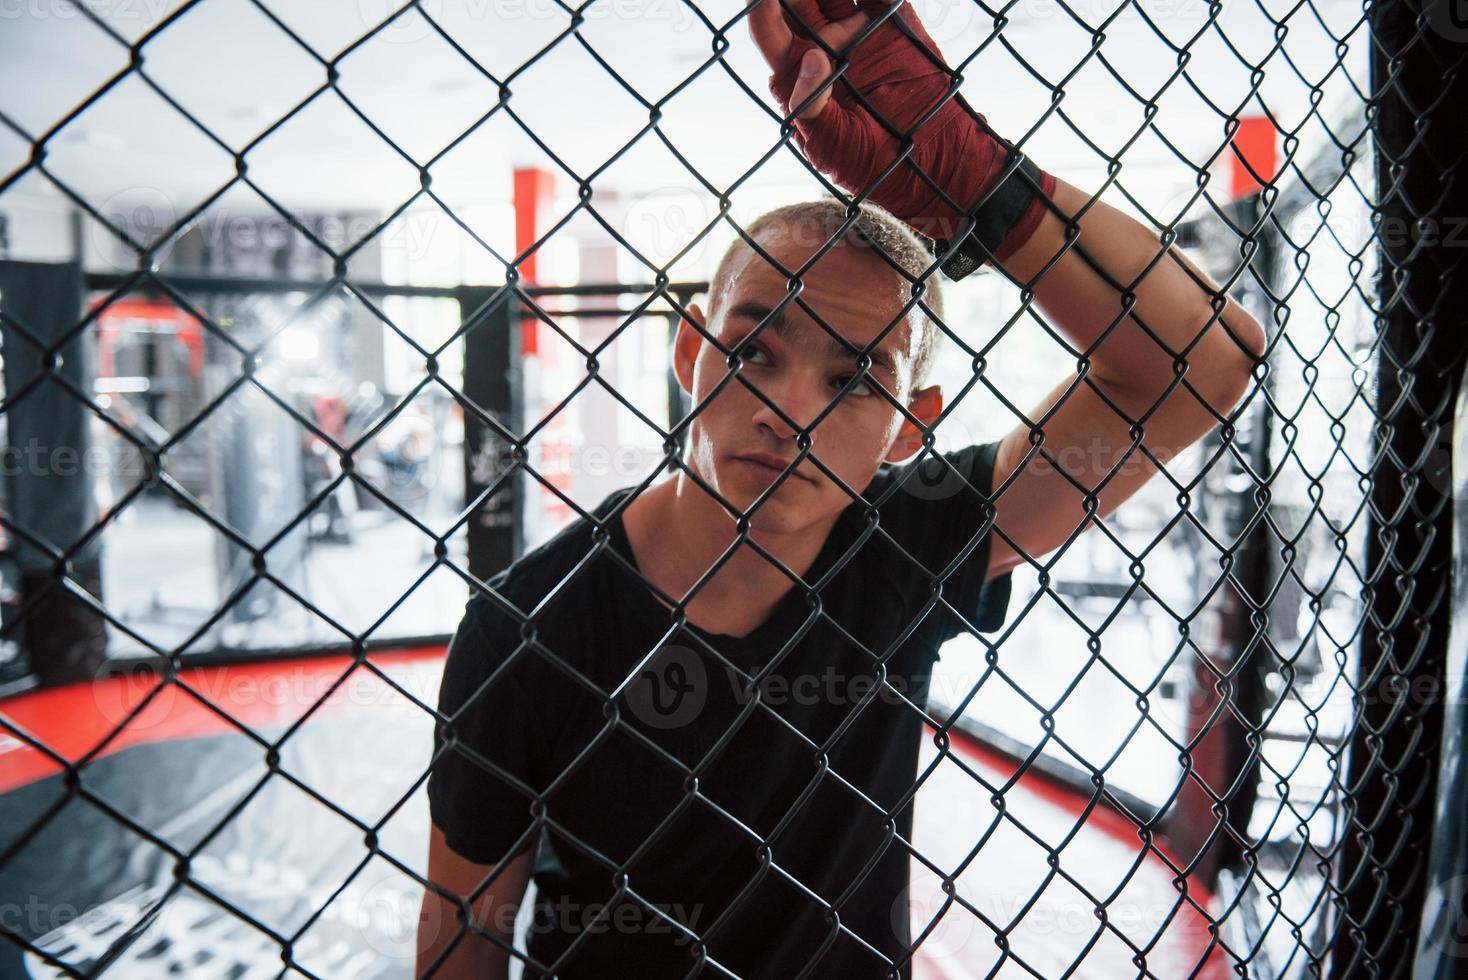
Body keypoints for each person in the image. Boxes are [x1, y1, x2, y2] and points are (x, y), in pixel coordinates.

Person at [416, 1, 1266, 976]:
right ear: (690, 351)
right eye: (754, 350)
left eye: (853, 377)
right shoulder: (531, 619)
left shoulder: (904, 537)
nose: (789, 408)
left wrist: (984, 182)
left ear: (915, 419)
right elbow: (465, 929)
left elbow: (1203, 362)